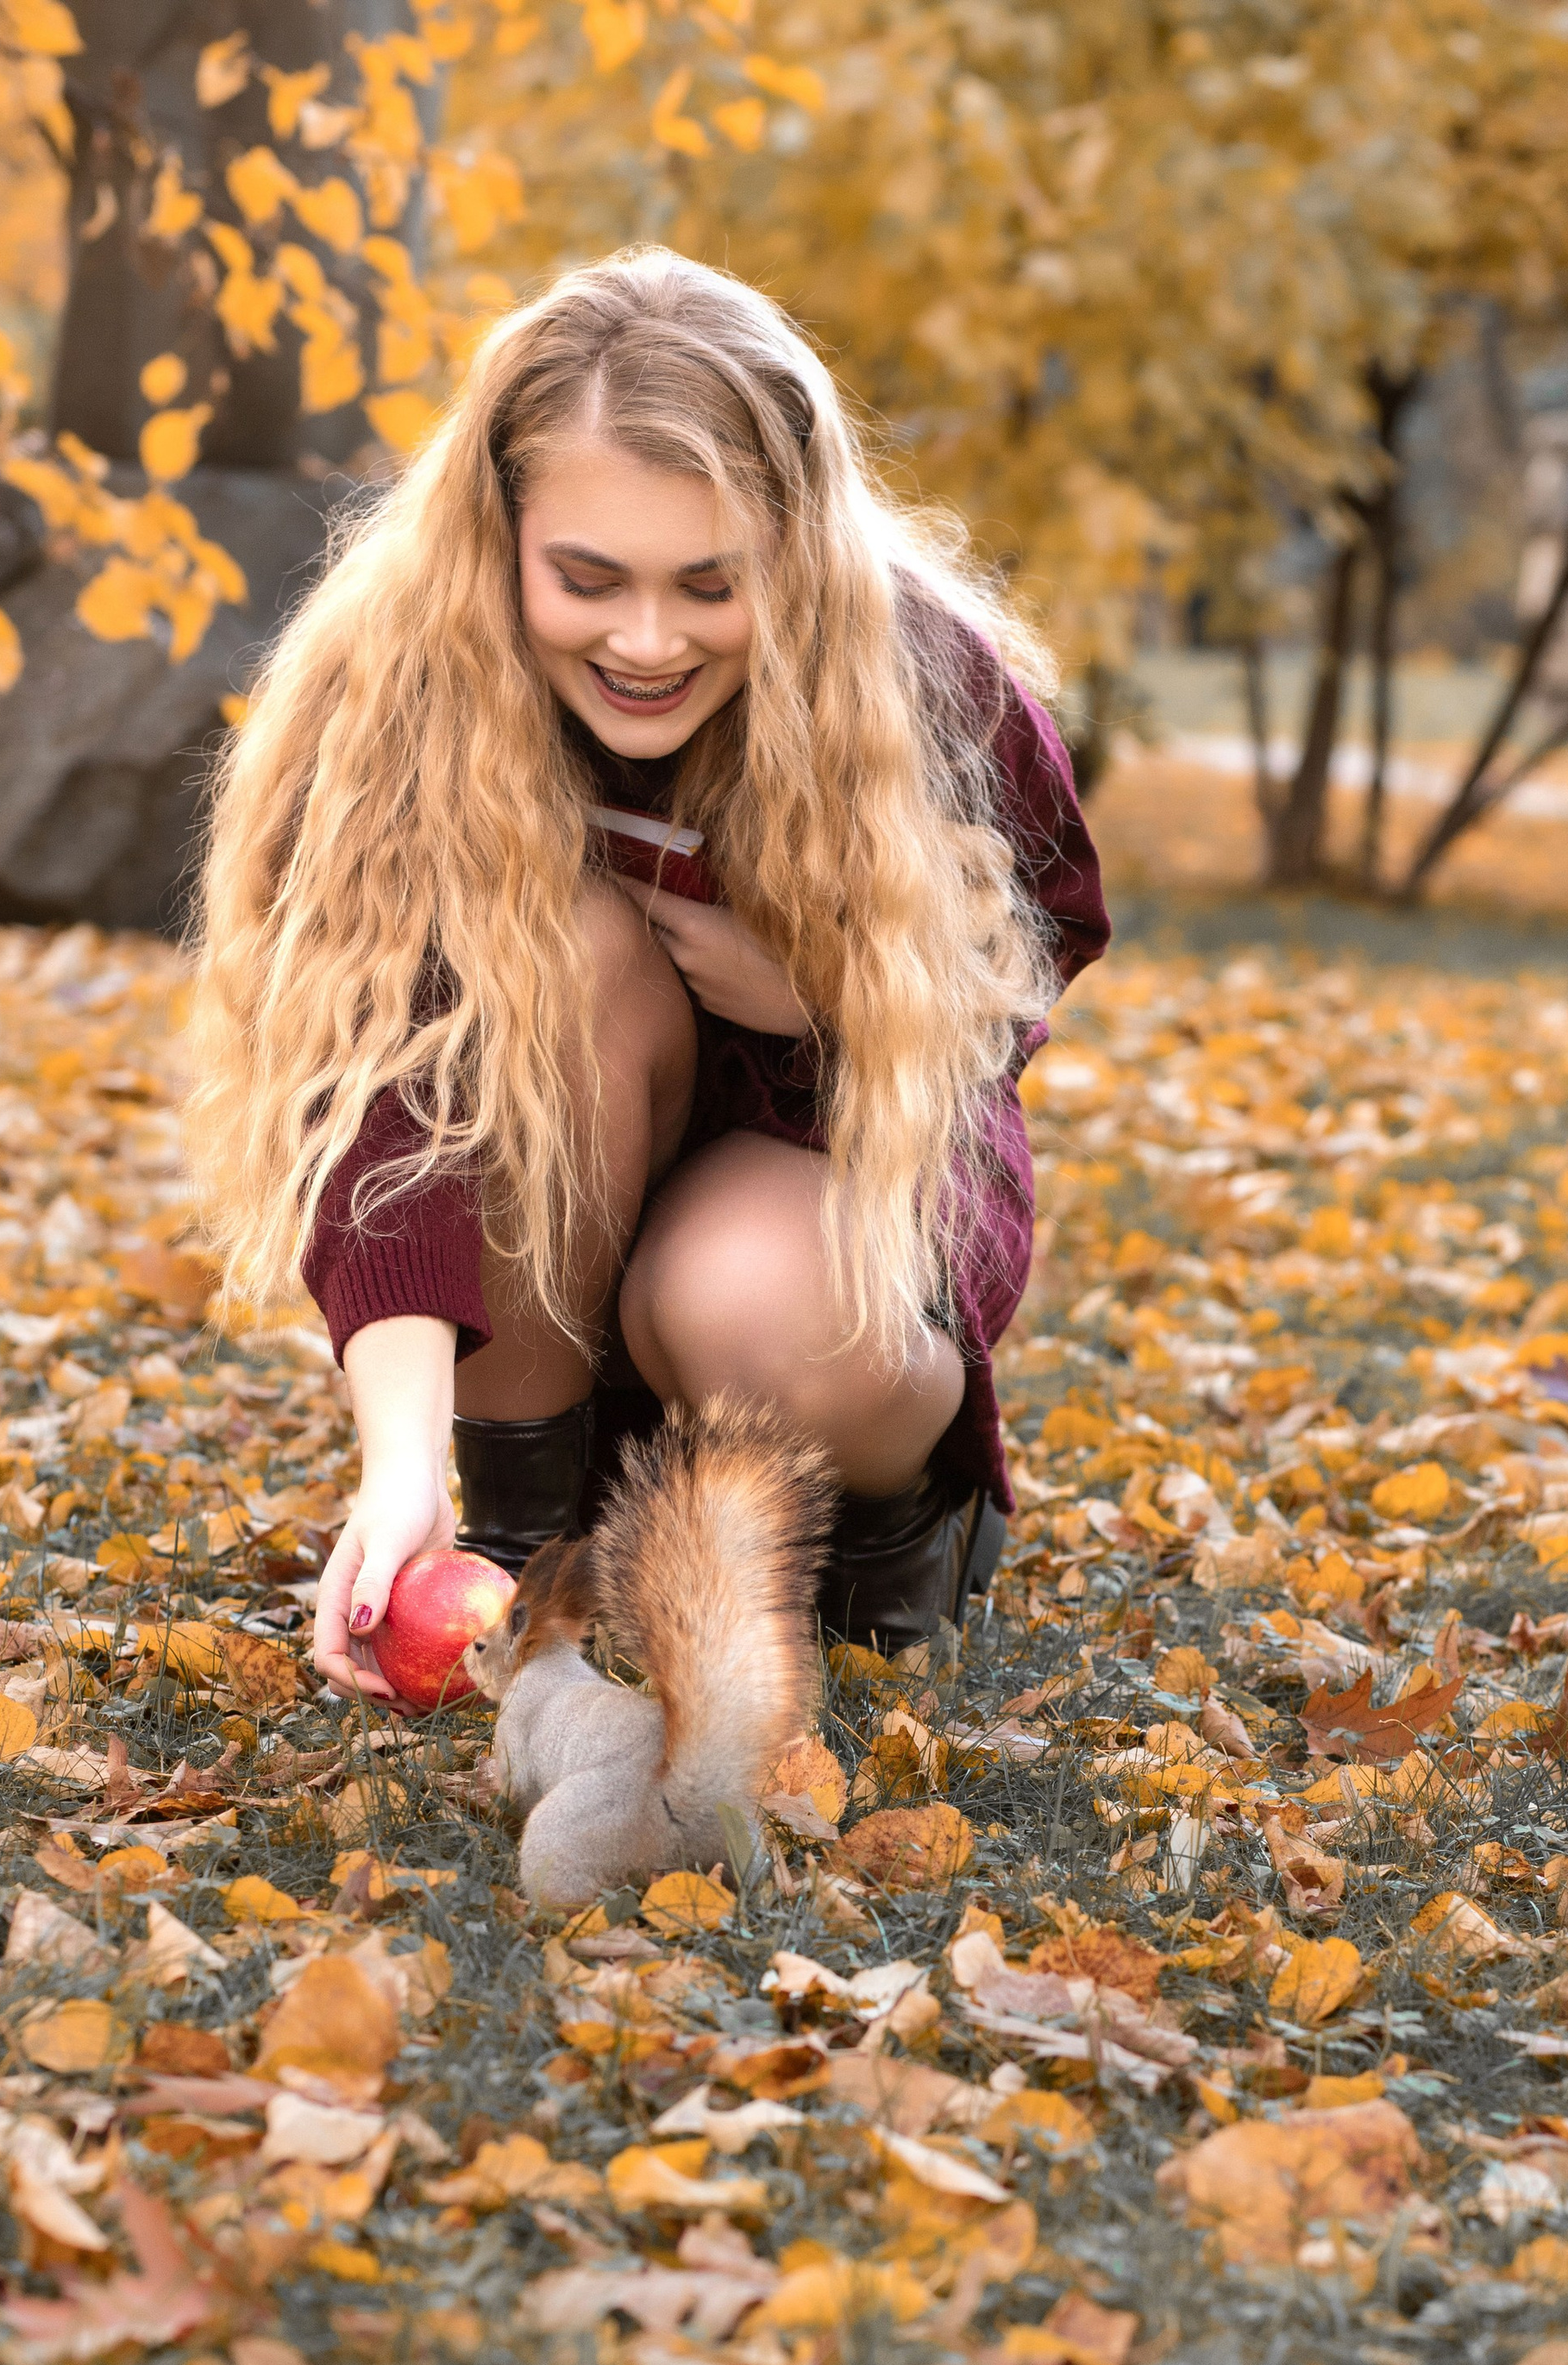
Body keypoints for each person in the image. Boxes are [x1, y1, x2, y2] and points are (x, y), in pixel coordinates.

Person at [186, 248, 1109, 1704]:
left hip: (836, 1172)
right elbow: (381, 1090)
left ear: (793, 553)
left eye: (709, 584)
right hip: (547, 1199)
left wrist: (828, 996)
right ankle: (525, 1536)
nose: (646, 640)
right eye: (588, 578)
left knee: (749, 1304)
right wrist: (404, 1464)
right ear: (498, 537)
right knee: (550, 953)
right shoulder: (393, 690)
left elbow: (1036, 941)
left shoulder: (928, 680)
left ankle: (887, 1528)